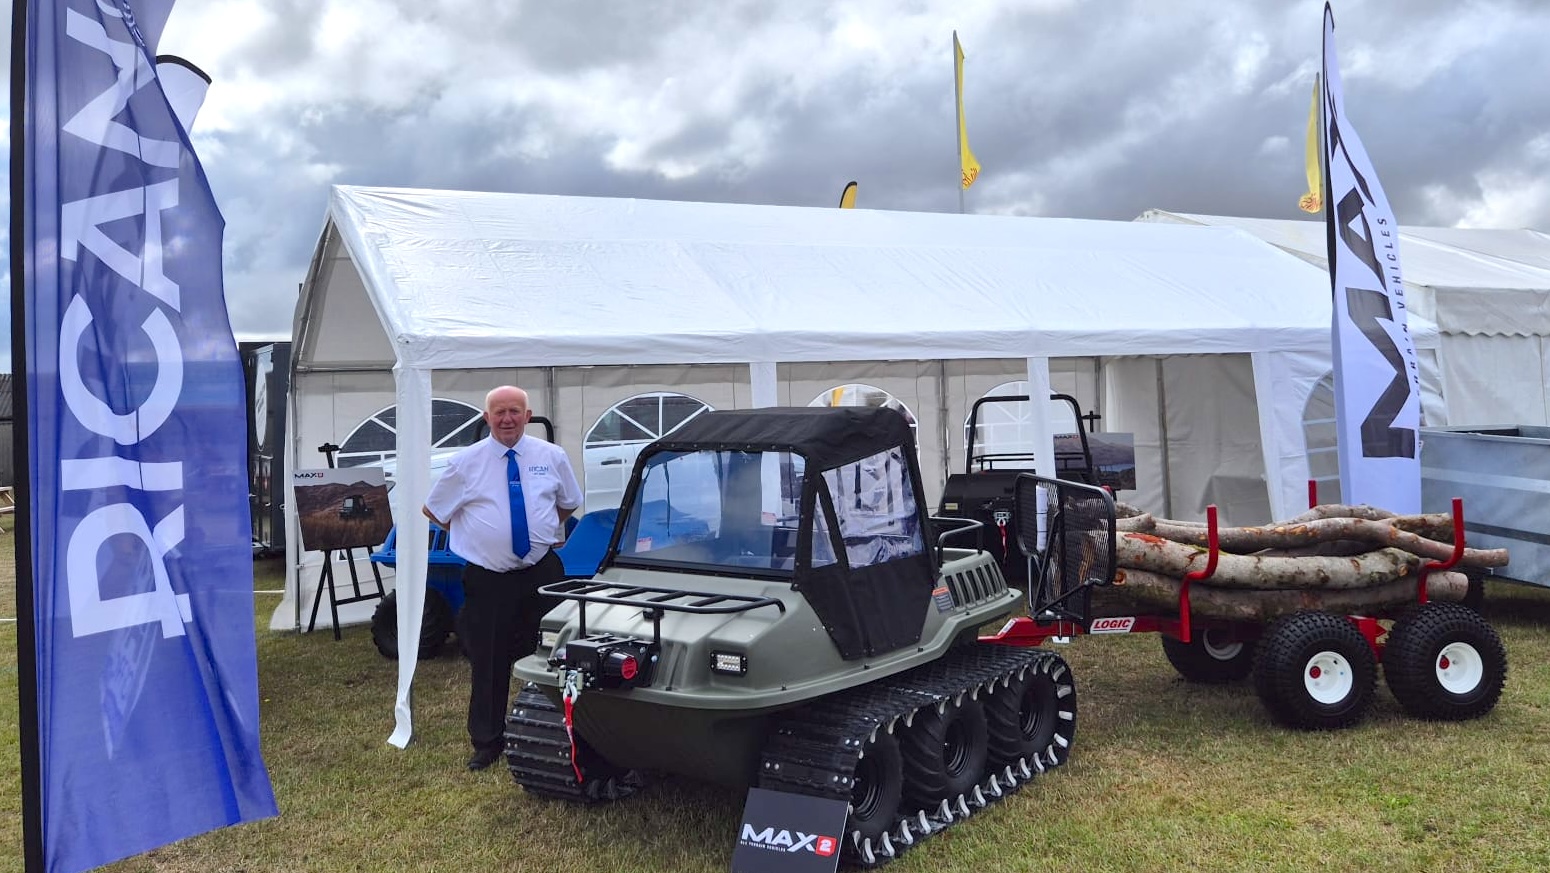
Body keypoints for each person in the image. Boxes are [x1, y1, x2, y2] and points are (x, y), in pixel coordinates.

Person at [423, 385, 581, 771]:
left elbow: (567, 503)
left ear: (528, 416)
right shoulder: (465, 463)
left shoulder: (551, 456)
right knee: (488, 658)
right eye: (499, 412)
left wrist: (536, 535)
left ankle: (559, 728)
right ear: (486, 418)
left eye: (515, 411)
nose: (507, 418)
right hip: (489, 578)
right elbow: (435, 510)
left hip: (542, 571)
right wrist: (481, 536)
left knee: (555, 653)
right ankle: (487, 740)